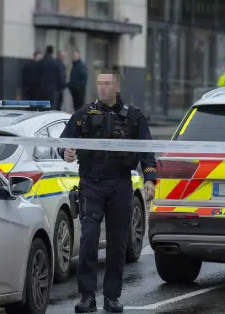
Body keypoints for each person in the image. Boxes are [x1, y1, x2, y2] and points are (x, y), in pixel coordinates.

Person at [58, 68, 157, 313]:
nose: (102, 87)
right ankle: (87, 296)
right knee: (89, 240)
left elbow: (147, 151)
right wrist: (65, 152)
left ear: (117, 87)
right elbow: (62, 142)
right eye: (99, 83)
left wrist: (150, 179)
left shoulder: (134, 117)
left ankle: (112, 296)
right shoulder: (82, 115)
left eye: (107, 83)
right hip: (91, 184)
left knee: (117, 244)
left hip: (121, 184)